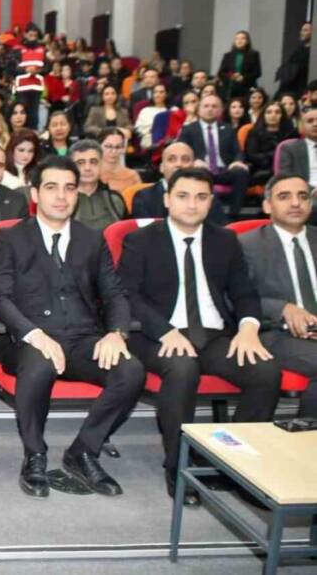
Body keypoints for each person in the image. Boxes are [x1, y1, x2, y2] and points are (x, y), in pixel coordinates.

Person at [118, 167, 279, 506]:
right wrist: (165, 331)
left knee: (265, 372)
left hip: (213, 334)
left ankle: (236, 465)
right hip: (156, 334)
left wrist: (249, 328)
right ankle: (178, 466)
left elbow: (244, 293)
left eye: (201, 197)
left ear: (210, 202)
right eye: (183, 196)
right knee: (182, 368)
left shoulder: (225, 240)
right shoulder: (141, 239)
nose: (192, 204)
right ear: (166, 200)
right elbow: (128, 296)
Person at [0, 155, 145, 499]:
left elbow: (115, 293)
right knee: (40, 361)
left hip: (84, 338)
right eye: (51, 187)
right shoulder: (11, 238)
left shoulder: (92, 239)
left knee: (131, 370)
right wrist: (34, 333)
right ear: (35, 194)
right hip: (29, 339)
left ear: (77, 194)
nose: (61, 196)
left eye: (69, 188)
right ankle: (35, 454)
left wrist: (115, 333)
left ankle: (83, 451)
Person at [240, 173, 317, 419]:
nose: (295, 203)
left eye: (302, 196)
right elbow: (235, 299)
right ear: (266, 205)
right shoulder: (246, 244)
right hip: (275, 333)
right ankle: (307, 442)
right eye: (284, 197)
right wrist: (282, 308)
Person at [178, 94, 250, 218]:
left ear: (220, 110)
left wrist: (237, 161)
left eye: (214, 106)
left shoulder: (228, 129)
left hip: (224, 169)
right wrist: (194, 161)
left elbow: (237, 151)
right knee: (199, 172)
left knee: (241, 172)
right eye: (206, 106)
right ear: (199, 108)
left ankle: (234, 215)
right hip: (202, 169)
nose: (210, 109)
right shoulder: (189, 129)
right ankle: (209, 215)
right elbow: (182, 152)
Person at [69, 140, 126, 231]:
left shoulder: (115, 199)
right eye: (80, 163)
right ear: (71, 167)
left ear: (101, 164)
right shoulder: (63, 200)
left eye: (93, 162)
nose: (87, 168)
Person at [217, 30, 262, 100]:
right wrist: (232, 76)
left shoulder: (254, 55)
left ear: (247, 41)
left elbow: (257, 73)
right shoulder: (228, 55)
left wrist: (243, 78)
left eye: (242, 38)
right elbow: (221, 73)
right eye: (237, 39)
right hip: (230, 89)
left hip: (247, 88)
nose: (239, 41)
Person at [98, 128, 141, 194]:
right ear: (98, 146)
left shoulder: (132, 176)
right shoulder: (90, 174)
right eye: (108, 146)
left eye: (118, 147)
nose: (113, 151)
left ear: (123, 149)